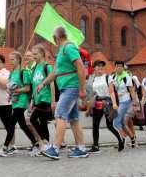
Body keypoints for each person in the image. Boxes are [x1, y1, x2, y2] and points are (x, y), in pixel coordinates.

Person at [40, 26, 88, 160]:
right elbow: (55, 72)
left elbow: (80, 67)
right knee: (73, 119)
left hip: (71, 87)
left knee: (60, 114)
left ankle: (55, 148)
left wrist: (82, 89)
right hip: (66, 87)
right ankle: (81, 148)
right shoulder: (61, 51)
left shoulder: (68, 47)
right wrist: (43, 83)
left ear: (56, 38)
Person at [0, 52, 38, 157]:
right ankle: (36, 144)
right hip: (15, 101)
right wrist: (10, 91)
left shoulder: (24, 72)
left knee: (11, 123)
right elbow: (10, 86)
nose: (11, 61)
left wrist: (16, 91)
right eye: (10, 59)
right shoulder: (13, 73)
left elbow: (27, 88)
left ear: (18, 60)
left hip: (22, 101)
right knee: (23, 125)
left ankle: (4, 148)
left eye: (12, 59)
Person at [85, 60, 123, 153]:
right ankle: (96, 146)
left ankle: (120, 139)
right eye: (98, 66)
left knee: (109, 126)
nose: (100, 67)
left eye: (101, 66)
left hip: (107, 103)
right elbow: (92, 94)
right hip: (97, 103)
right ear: (94, 68)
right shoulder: (92, 79)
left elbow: (111, 92)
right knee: (95, 125)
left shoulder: (107, 77)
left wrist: (114, 103)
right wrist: (89, 106)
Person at [29, 44, 56, 155]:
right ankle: (46, 144)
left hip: (46, 98)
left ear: (42, 54)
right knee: (43, 123)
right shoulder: (34, 68)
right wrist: (32, 100)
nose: (34, 56)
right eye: (33, 54)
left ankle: (43, 143)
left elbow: (52, 84)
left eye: (36, 54)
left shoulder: (47, 67)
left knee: (33, 119)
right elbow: (34, 86)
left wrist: (53, 101)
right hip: (37, 99)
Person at [109, 61, 139, 151]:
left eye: (120, 66)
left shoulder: (127, 77)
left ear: (123, 67)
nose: (119, 68)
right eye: (117, 66)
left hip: (126, 100)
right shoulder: (113, 77)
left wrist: (135, 103)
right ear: (115, 67)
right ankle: (132, 138)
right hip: (118, 101)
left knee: (116, 122)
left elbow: (132, 91)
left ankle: (122, 139)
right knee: (122, 123)